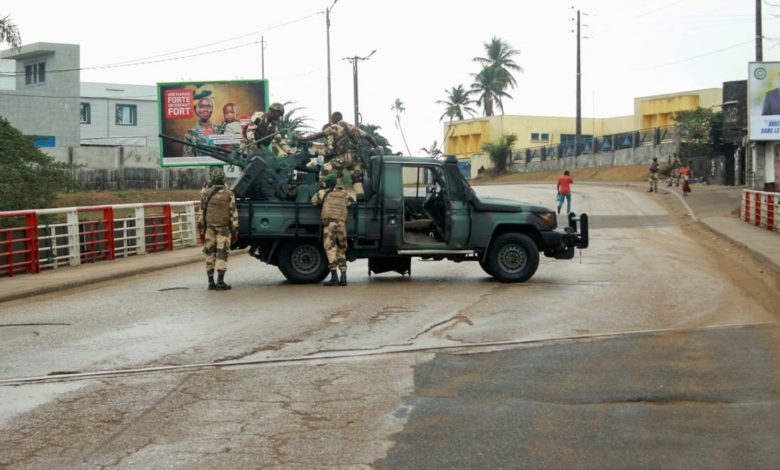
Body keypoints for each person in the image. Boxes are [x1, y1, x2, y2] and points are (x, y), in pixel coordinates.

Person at [296, 111, 378, 196]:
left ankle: (321, 191)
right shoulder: (353, 128)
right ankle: (360, 195)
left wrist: (302, 138)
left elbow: (319, 136)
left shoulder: (335, 127)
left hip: (344, 157)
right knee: (356, 179)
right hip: (356, 159)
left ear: (333, 119)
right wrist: (376, 147)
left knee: (325, 169)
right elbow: (368, 137)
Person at [197, 168, 239, 290]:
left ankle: (211, 282)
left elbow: (201, 213)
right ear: (223, 179)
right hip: (223, 229)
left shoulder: (205, 193)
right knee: (222, 254)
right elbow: (233, 213)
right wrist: (235, 230)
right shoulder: (229, 194)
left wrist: (201, 230)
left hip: (209, 228)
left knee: (209, 253)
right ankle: (220, 281)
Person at [310, 173, 355, 286]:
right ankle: (343, 278)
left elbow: (313, 201)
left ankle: (334, 278)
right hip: (341, 225)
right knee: (341, 250)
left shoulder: (323, 193)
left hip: (329, 225)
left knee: (330, 249)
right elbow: (352, 202)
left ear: (328, 183)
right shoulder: (344, 194)